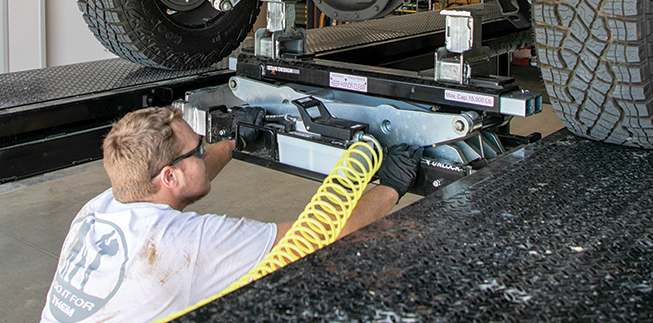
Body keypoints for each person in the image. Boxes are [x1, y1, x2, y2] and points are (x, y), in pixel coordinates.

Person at [39, 105, 421, 323]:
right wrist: (390, 186)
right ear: (168, 175)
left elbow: (191, 174)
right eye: (197, 151)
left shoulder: (101, 207)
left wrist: (237, 143)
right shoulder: (188, 243)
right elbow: (324, 235)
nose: (205, 154)